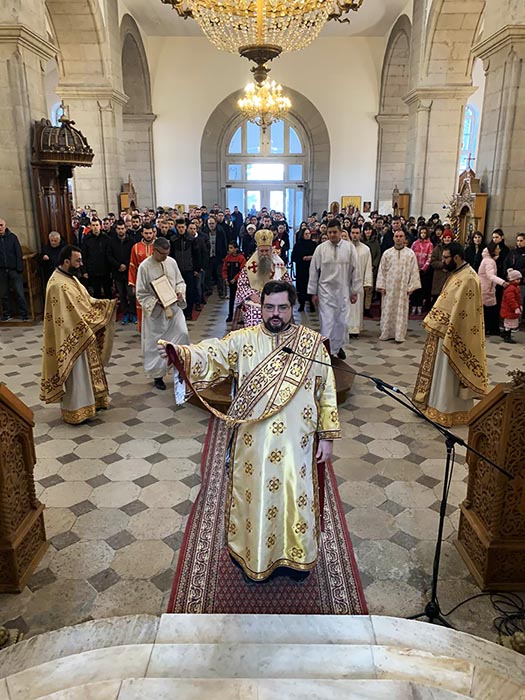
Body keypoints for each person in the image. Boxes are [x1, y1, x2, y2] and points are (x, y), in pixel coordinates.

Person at [163, 280, 340, 582]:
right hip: (254, 446)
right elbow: (212, 352)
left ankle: (296, 558)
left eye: (282, 307)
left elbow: (327, 390)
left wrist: (327, 435)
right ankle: (253, 558)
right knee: (256, 503)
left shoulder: (311, 344)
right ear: (261, 308)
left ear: (292, 308)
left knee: (294, 501)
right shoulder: (243, 340)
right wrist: (180, 353)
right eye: (269, 307)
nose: (275, 314)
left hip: (297, 446)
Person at [413, 241, 488, 426]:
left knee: (447, 376)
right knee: (438, 373)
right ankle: (433, 406)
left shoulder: (469, 278)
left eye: (446, 258)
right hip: (441, 331)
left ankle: (446, 411)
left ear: (457, 257)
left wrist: (449, 327)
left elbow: (465, 314)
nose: (443, 261)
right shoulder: (457, 273)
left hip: (454, 335)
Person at [40, 245, 116, 424]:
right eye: (78, 261)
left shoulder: (71, 278)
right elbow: (70, 314)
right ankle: (76, 411)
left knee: (87, 373)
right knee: (77, 376)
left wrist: (106, 305)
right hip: (71, 338)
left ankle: (93, 402)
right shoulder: (57, 284)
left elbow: (86, 301)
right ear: (67, 262)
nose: (81, 264)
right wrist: (97, 315)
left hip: (82, 333)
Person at [136, 237, 189, 390]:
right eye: (162, 254)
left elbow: (180, 282)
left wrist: (179, 292)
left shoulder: (171, 262)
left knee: (183, 334)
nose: (165, 257)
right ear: (154, 250)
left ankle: (182, 371)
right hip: (156, 314)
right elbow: (141, 293)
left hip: (174, 309)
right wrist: (156, 301)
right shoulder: (144, 267)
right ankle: (158, 375)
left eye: (167, 253)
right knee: (157, 345)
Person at [307, 219, 362, 360]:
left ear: (340, 232)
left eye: (334, 232)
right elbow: (313, 272)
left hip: (343, 291)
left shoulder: (349, 248)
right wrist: (313, 293)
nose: (332, 235)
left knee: (342, 322)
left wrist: (355, 291)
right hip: (325, 292)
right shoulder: (321, 249)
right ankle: (328, 352)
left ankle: (338, 346)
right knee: (327, 323)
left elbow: (356, 270)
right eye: (329, 232)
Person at [235, 229, 291, 327]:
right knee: (254, 318)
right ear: (257, 250)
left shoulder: (278, 265)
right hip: (255, 301)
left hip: (276, 300)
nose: (264, 253)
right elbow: (242, 285)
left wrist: (280, 295)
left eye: (267, 251)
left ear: (271, 250)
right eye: (261, 251)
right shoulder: (249, 266)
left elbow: (288, 284)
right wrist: (252, 295)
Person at [375, 230, 420, 343]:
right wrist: (381, 285)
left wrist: (411, 287)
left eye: (401, 236)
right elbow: (382, 270)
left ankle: (399, 334)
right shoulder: (387, 253)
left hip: (403, 288)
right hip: (389, 288)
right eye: (396, 236)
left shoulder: (410, 254)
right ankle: (386, 333)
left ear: (405, 238)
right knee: (387, 309)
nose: (398, 238)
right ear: (393, 238)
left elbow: (414, 271)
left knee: (401, 310)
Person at [0, 217, 29, 321]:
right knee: (4, 294)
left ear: (5, 226)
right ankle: (7, 313)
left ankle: (24, 314)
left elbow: (18, 253)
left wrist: (19, 268)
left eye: (1, 225)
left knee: (19, 293)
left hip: (14, 270)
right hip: (2, 270)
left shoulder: (12, 237)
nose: (0, 228)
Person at [128, 222, 156, 329]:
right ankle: (143, 329)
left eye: (150, 233)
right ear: (142, 233)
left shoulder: (157, 246)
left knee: (155, 306)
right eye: (146, 233)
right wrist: (133, 284)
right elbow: (132, 266)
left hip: (155, 281)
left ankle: (155, 330)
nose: (148, 235)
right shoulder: (135, 247)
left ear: (153, 233)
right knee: (142, 305)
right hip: (141, 282)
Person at [348, 224, 373, 338]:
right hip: (346, 283)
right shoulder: (345, 248)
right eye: (353, 233)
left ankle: (356, 329)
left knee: (357, 307)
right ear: (350, 233)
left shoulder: (365, 249)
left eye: (357, 233)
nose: (355, 235)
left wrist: (367, 282)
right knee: (347, 307)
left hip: (359, 283)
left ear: (360, 234)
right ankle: (347, 328)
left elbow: (368, 266)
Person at [107, 219, 134, 324]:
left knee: (131, 294)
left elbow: (133, 255)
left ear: (125, 229)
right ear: (116, 229)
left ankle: (133, 313)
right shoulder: (111, 241)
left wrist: (126, 265)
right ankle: (125, 313)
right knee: (121, 295)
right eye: (118, 229)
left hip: (128, 272)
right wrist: (118, 265)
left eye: (122, 228)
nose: (121, 230)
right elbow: (109, 255)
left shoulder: (131, 241)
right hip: (117, 272)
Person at [478, 242, 507, 336]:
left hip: (487, 288)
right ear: (493, 250)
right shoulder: (489, 261)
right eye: (497, 249)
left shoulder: (488, 260)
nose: (499, 250)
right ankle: (490, 329)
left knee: (489, 310)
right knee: (489, 311)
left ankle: (490, 329)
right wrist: (502, 282)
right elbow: (490, 275)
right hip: (486, 289)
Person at [291, 228, 317, 312]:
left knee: (311, 285)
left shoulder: (313, 244)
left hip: (311, 268)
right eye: (306, 234)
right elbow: (294, 257)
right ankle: (301, 304)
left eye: (309, 233)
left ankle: (311, 304)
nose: (308, 235)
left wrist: (311, 257)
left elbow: (317, 256)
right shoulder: (298, 245)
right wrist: (302, 258)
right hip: (301, 269)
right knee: (301, 287)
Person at [411, 226, 434, 314]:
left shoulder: (430, 244)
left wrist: (424, 268)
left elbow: (429, 257)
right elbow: (411, 255)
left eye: (424, 233)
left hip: (423, 271)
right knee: (414, 288)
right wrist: (414, 267)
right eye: (421, 233)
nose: (423, 234)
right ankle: (413, 305)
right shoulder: (415, 243)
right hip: (414, 269)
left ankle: (419, 305)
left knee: (421, 288)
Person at [222, 241, 246, 323]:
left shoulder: (241, 258)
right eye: (229, 248)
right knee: (231, 299)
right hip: (230, 281)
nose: (229, 249)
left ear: (236, 249)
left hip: (239, 282)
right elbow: (224, 269)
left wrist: (235, 279)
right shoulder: (227, 258)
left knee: (241, 300)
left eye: (231, 248)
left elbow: (242, 271)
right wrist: (225, 278)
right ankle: (230, 315)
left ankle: (241, 317)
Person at [500, 269, 522, 343]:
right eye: (517, 279)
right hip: (509, 310)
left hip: (510, 309)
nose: (519, 281)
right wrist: (516, 307)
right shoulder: (511, 288)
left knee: (509, 323)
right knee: (509, 324)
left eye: (519, 279)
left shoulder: (514, 287)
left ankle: (505, 334)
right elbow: (511, 300)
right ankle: (507, 336)